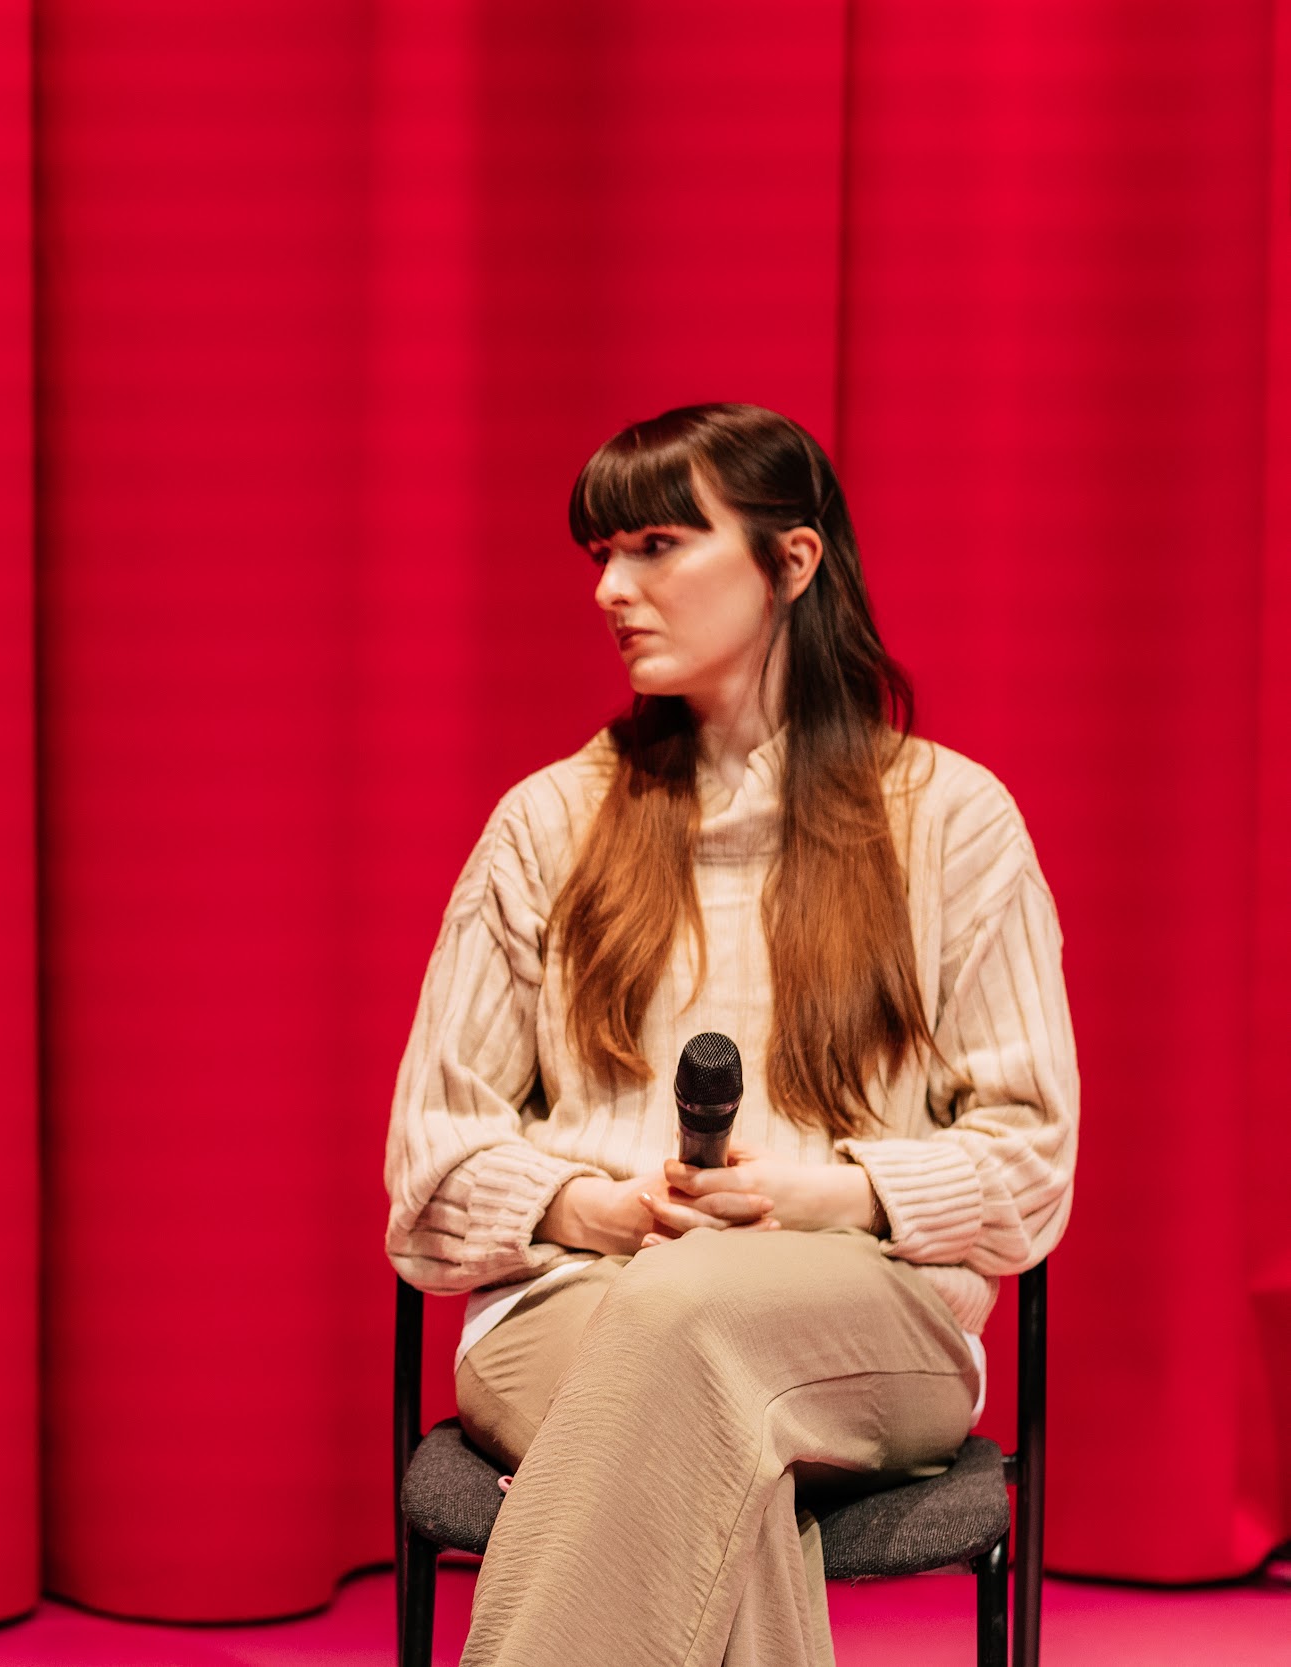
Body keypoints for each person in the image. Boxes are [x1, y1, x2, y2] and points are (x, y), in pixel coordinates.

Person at [382, 404, 1075, 1666]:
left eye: (655, 543)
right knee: (701, 1417)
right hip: (566, 1306)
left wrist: (826, 1194)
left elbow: (1030, 1162)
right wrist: (601, 1208)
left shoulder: (954, 823)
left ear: (791, 562)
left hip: (869, 1320)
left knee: (690, 1316)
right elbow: (427, 1167)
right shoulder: (546, 824)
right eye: (600, 552)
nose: (610, 588)